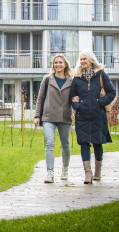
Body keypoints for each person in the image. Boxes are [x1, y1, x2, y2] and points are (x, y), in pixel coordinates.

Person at [69, 50, 116, 184]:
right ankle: (88, 174)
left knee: (97, 143)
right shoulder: (77, 78)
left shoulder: (101, 75)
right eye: (81, 59)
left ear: (91, 60)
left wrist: (99, 103)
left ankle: (98, 173)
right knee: (84, 143)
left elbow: (112, 92)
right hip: (82, 116)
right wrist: (78, 106)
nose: (82, 61)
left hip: (98, 116)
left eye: (85, 59)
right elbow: (72, 97)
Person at [34, 54, 74, 183]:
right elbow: (40, 98)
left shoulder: (71, 81)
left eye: (60, 62)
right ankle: (50, 172)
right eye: (55, 62)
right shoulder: (47, 79)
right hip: (48, 116)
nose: (58, 65)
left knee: (65, 145)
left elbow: (75, 98)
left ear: (65, 64)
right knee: (49, 143)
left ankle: (65, 169)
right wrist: (37, 115)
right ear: (53, 65)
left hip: (65, 116)